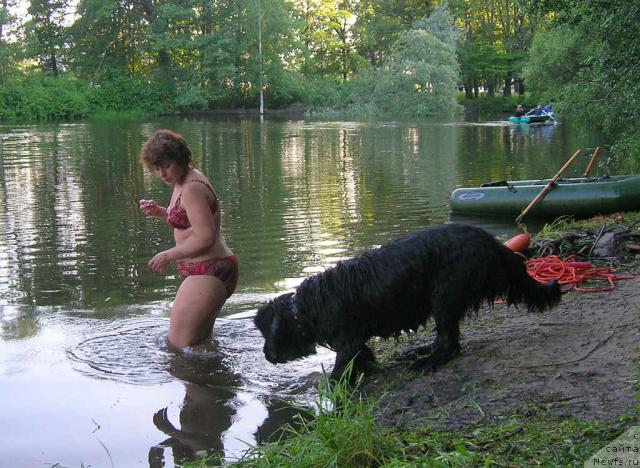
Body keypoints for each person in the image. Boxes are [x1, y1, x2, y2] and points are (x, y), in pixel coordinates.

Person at [139, 129, 238, 349]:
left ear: (180, 159)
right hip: (206, 272)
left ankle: (205, 381)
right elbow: (189, 224)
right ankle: (215, 381)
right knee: (199, 346)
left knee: (177, 348)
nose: (162, 174)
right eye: (156, 168)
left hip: (210, 270)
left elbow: (205, 237)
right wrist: (161, 212)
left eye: (166, 166)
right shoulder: (181, 182)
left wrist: (168, 255)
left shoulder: (192, 188)